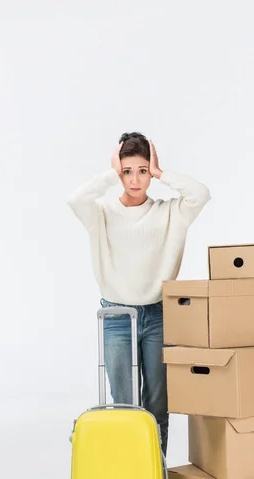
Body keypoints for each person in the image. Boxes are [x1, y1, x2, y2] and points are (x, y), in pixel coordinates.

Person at [67, 132, 211, 455]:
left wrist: (162, 174)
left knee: (158, 406)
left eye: (143, 171)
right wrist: (110, 173)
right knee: (126, 409)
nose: (135, 180)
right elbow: (75, 200)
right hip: (117, 318)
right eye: (127, 171)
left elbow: (201, 194)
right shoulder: (101, 213)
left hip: (158, 316)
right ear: (119, 172)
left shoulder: (170, 213)